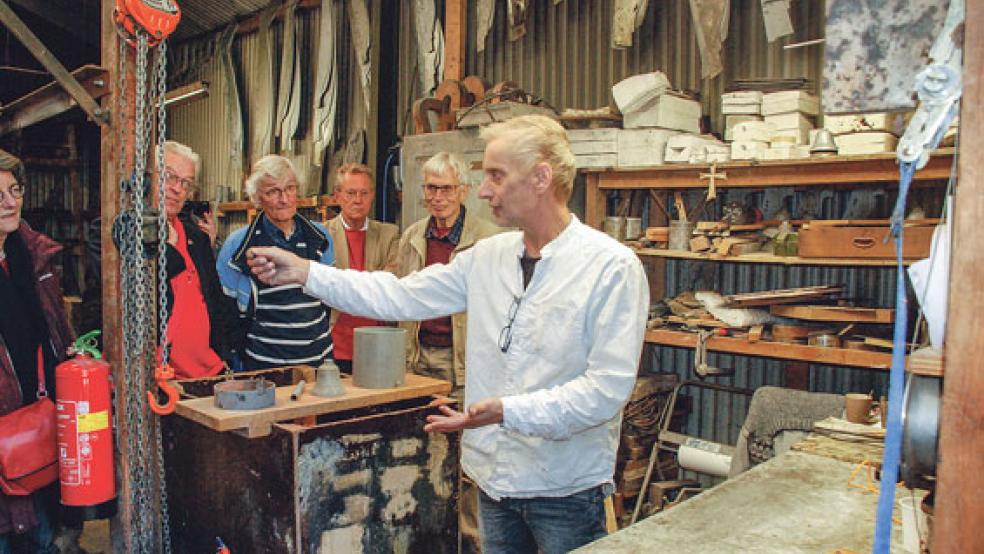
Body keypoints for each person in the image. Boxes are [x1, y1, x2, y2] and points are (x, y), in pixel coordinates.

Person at [246, 115, 649, 553]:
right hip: (494, 482)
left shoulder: (610, 267)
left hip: (565, 490)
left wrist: (508, 412)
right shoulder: (488, 258)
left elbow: (605, 391)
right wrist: (305, 272)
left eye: (496, 175)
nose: (483, 190)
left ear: (540, 178)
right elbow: (399, 296)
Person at [396, 152, 499, 553]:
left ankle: (474, 543)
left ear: (463, 191)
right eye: (431, 188)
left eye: (446, 188)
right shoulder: (412, 237)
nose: (437, 197)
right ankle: (432, 538)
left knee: (469, 462)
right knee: (426, 453)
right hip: (420, 362)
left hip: (465, 365)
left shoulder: (488, 240)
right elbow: (402, 300)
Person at [0, 148, 73, 553]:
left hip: (36, 422)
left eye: (15, 190)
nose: (10, 202)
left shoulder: (32, 256)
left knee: (43, 536)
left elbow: (53, 332)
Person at [217, 155, 335, 370]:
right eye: (273, 191)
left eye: (290, 188)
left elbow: (328, 297)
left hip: (319, 361)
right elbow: (227, 314)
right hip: (263, 364)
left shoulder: (320, 238)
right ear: (257, 197)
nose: (284, 199)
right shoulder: (237, 246)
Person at [156, 141, 240, 379]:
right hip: (162, 380)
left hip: (208, 373)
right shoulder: (119, 234)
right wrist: (170, 253)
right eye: (168, 176)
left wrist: (224, 352)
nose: (176, 189)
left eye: (186, 183)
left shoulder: (197, 238)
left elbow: (215, 299)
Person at [326, 163, 399, 373]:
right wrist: (373, 279)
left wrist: (344, 283)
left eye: (364, 193)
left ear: (372, 195)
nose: (358, 200)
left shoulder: (389, 234)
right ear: (337, 196)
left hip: (377, 344)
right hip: (334, 345)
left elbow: (392, 280)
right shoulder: (321, 235)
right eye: (350, 193)